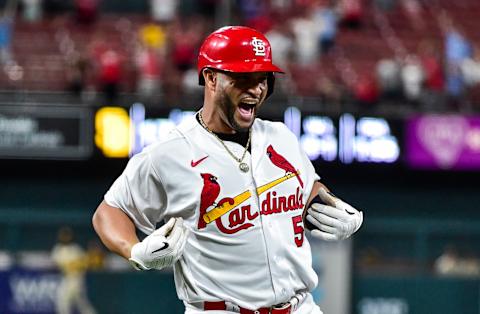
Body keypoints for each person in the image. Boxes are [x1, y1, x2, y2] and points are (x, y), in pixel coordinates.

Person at [92, 26, 363, 314]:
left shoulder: (281, 136)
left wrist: (332, 206)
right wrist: (135, 251)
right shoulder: (170, 154)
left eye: (263, 78)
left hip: (301, 307)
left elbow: (307, 191)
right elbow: (109, 212)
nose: (256, 88)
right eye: (244, 77)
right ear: (211, 77)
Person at [51, 226, 97, 314]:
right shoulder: (57, 249)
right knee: (62, 303)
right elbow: (56, 264)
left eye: (66, 235)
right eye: (63, 235)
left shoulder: (76, 249)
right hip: (66, 279)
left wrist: (77, 265)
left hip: (77, 279)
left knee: (81, 305)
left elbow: (85, 263)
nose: (64, 237)